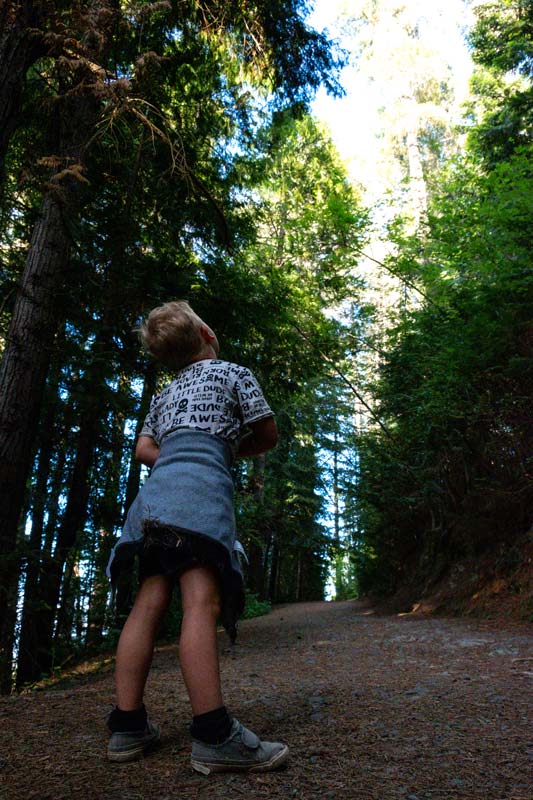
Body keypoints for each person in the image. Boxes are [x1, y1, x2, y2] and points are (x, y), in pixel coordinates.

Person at [105, 300, 289, 774]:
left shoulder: (164, 395)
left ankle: (126, 727)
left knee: (147, 603)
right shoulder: (234, 372)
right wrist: (225, 452)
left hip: (154, 504)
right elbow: (267, 433)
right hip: (199, 501)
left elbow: (145, 447)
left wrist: (174, 458)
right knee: (200, 604)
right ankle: (213, 733)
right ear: (207, 332)